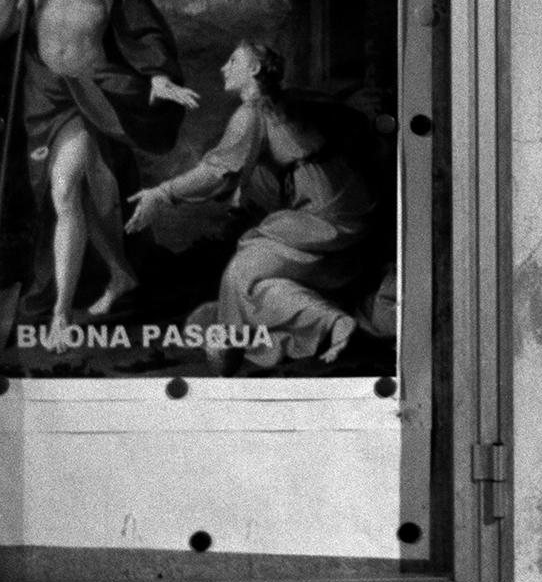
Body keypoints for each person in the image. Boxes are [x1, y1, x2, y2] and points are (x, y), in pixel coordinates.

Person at [0, 0, 199, 338]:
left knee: (65, 189)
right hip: (45, 93)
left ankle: (61, 314)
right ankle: (120, 273)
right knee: (86, 193)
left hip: (90, 92)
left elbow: (145, 32)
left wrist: (157, 74)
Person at [124, 40, 380, 365]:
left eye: (233, 61)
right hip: (348, 204)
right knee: (262, 283)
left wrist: (161, 194)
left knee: (240, 273)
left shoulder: (253, 112)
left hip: (327, 214)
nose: (223, 67)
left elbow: (218, 172)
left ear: (255, 68)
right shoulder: (284, 100)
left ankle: (241, 338)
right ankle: (330, 321)